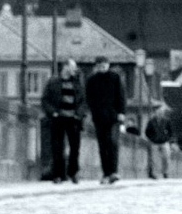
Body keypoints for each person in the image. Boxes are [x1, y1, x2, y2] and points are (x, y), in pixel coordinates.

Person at [41, 58, 86, 184]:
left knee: (75, 147)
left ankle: (73, 172)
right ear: (65, 67)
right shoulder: (53, 82)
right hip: (58, 118)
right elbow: (45, 99)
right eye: (72, 67)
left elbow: (83, 100)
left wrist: (79, 114)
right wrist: (53, 112)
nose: (74, 69)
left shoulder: (77, 82)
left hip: (74, 119)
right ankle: (58, 174)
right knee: (57, 147)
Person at [85, 55, 126, 185]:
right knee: (103, 145)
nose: (102, 68)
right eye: (100, 66)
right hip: (99, 117)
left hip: (113, 116)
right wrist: (92, 112)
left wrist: (121, 112)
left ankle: (113, 171)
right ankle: (106, 173)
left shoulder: (115, 78)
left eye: (104, 65)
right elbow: (89, 98)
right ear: (96, 66)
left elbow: (121, 95)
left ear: (108, 65)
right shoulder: (91, 80)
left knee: (113, 143)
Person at [144, 103, 174, 179]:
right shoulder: (151, 121)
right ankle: (154, 173)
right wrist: (152, 138)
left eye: (161, 112)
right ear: (155, 112)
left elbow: (171, 132)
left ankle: (165, 172)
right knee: (154, 159)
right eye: (158, 112)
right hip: (154, 142)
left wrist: (166, 138)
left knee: (166, 157)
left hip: (164, 142)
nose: (159, 113)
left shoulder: (166, 121)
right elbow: (147, 132)